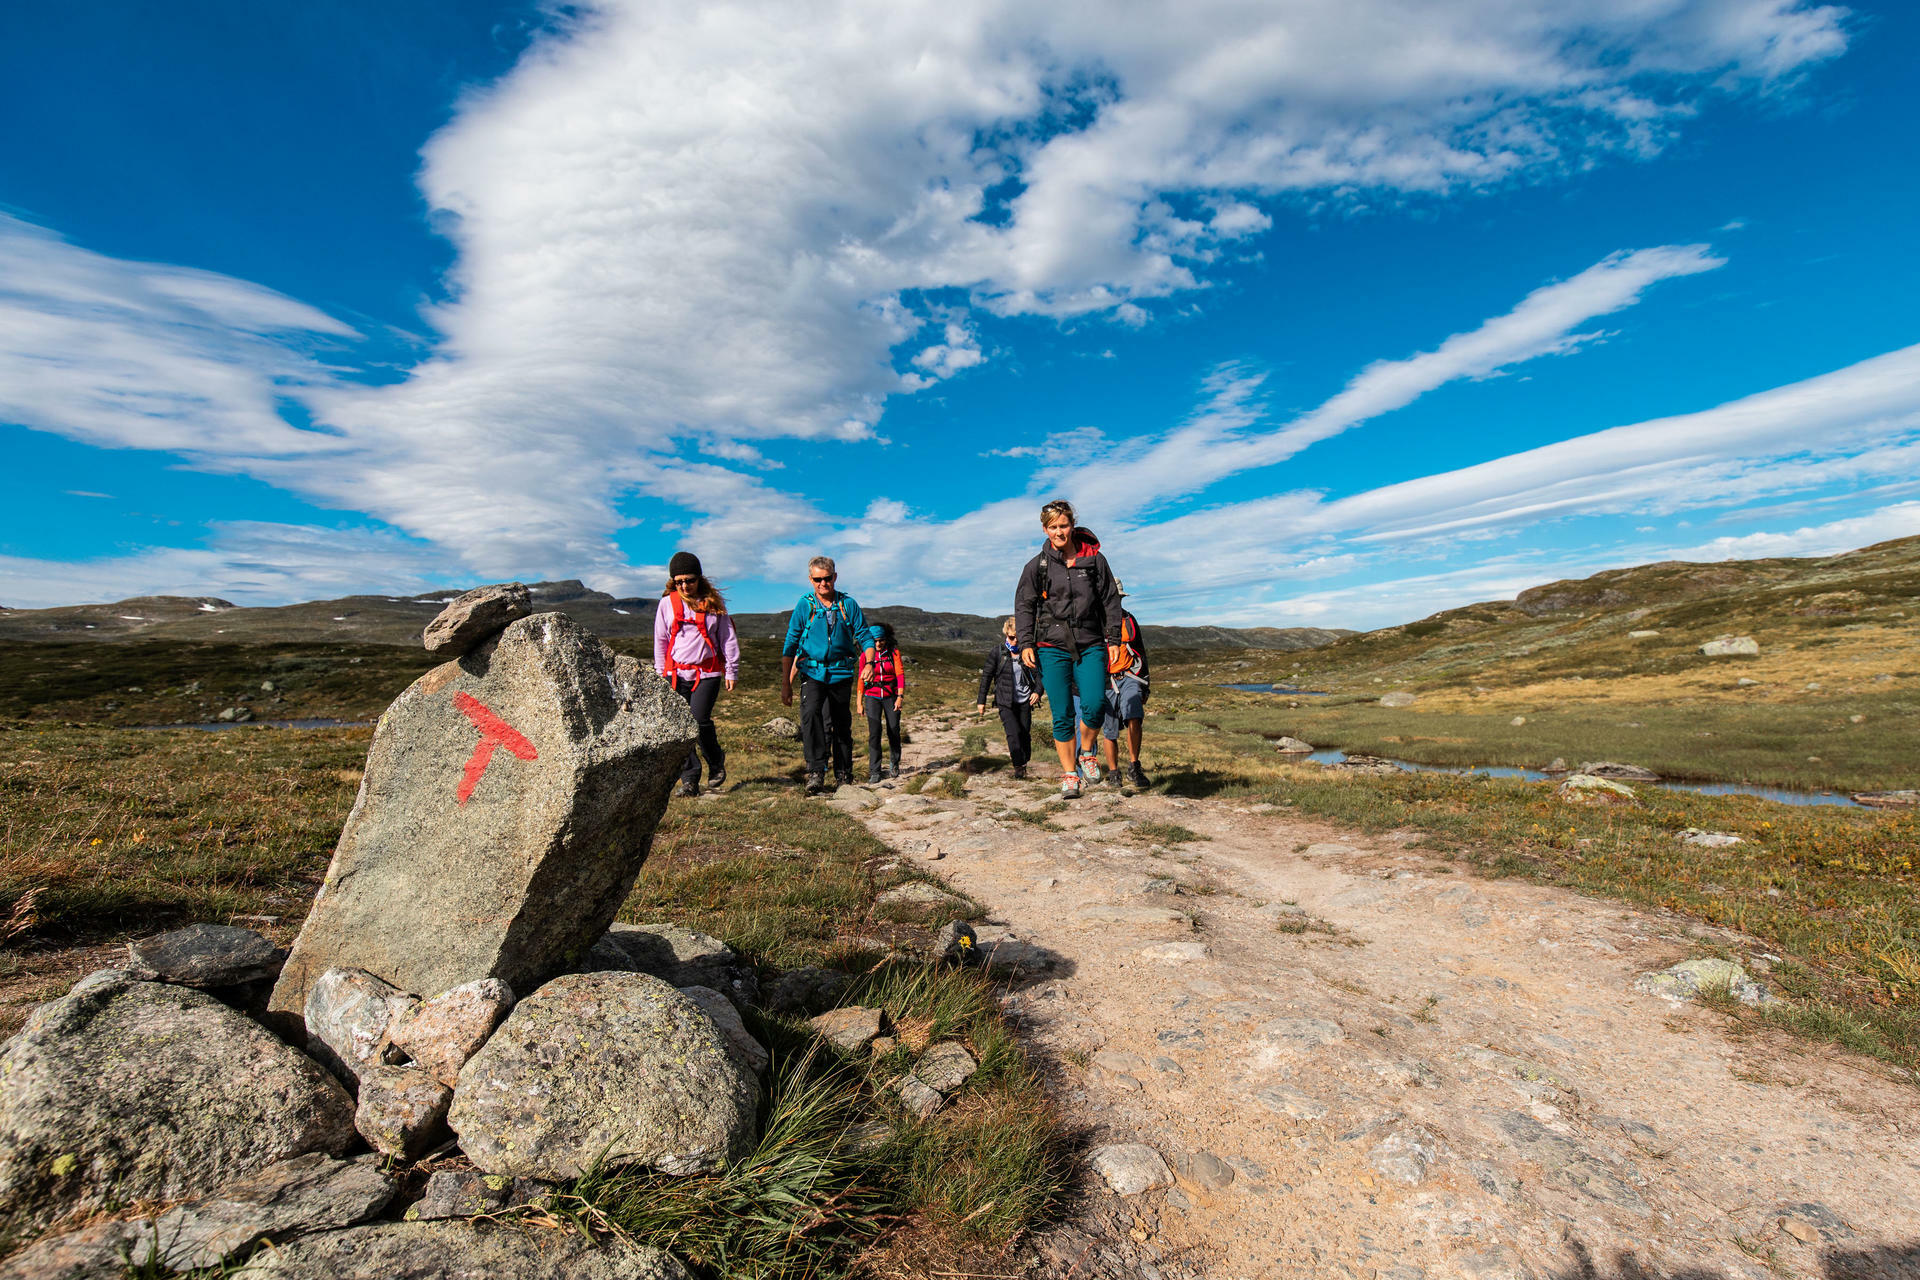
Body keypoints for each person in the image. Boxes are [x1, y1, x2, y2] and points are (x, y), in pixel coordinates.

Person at [1013, 500, 1125, 798]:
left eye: (1063, 525)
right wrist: (1025, 642)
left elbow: (1111, 602)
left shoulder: (1095, 560)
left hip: (1091, 643)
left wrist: (1114, 639)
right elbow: (1024, 605)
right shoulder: (1037, 565)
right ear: (1044, 529)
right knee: (1061, 712)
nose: (1059, 532)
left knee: (1095, 704)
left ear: (1072, 525)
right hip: (1051, 645)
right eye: (1053, 527)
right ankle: (1069, 775)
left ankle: (1086, 750)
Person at [780, 556, 873, 794]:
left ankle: (843, 774)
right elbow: (791, 642)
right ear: (811, 579)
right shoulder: (805, 605)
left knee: (841, 723)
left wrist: (869, 662)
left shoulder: (848, 604)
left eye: (827, 578)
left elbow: (864, 635)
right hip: (812, 671)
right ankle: (815, 772)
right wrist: (785, 684)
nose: (823, 584)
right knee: (811, 716)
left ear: (835, 577)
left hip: (841, 672)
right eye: (818, 579)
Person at [653, 552, 740, 797]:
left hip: (708, 672)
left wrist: (731, 670)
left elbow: (728, 640)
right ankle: (689, 779)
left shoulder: (714, 605)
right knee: (681, 727)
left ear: (699, 578)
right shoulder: (666, 604)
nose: (684, 586)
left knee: (699, 720)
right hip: (675, 673)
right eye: (678, 581)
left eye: (689, 580)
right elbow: (660, 640)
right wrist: (661, 673)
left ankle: (715, 761)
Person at [1099, 580, 1151, 790]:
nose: (1115, 601)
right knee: (1109, 730)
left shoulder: (1130, 619)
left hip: (1131, 676)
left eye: (1118, 598)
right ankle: (1113, 773)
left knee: (1135, 716)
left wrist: (1145, 683)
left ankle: (1134, 766)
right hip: (1106, 681)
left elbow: (1141, 651)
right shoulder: (1095, 623)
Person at [976, 615, 1040, 780]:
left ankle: (1024, 762)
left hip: (1025, 700)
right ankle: (1018, 766)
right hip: (1005, 701)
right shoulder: (997, 652)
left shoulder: (1028, 652)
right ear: (1006, 634)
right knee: (1013, 733)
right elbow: (986, 677)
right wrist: (981, 701)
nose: (1014, 642)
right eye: (1011, 638)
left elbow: (1039, 675)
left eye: (1018, 638)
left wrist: (1038, 691)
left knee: (1025, 733)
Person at [858, 621, 907, 783]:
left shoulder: (893, 653)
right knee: (874, 732)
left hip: (891, 696)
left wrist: (900, 697)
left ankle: (894, 762)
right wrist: (859, 702)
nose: (878, 644)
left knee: (893, 729)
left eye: (881, 640)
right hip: (872, 696)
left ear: (886, 639)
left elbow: (900, 674)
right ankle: (875, 770)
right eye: (874, 641)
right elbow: (861, 679)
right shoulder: (865, 655)